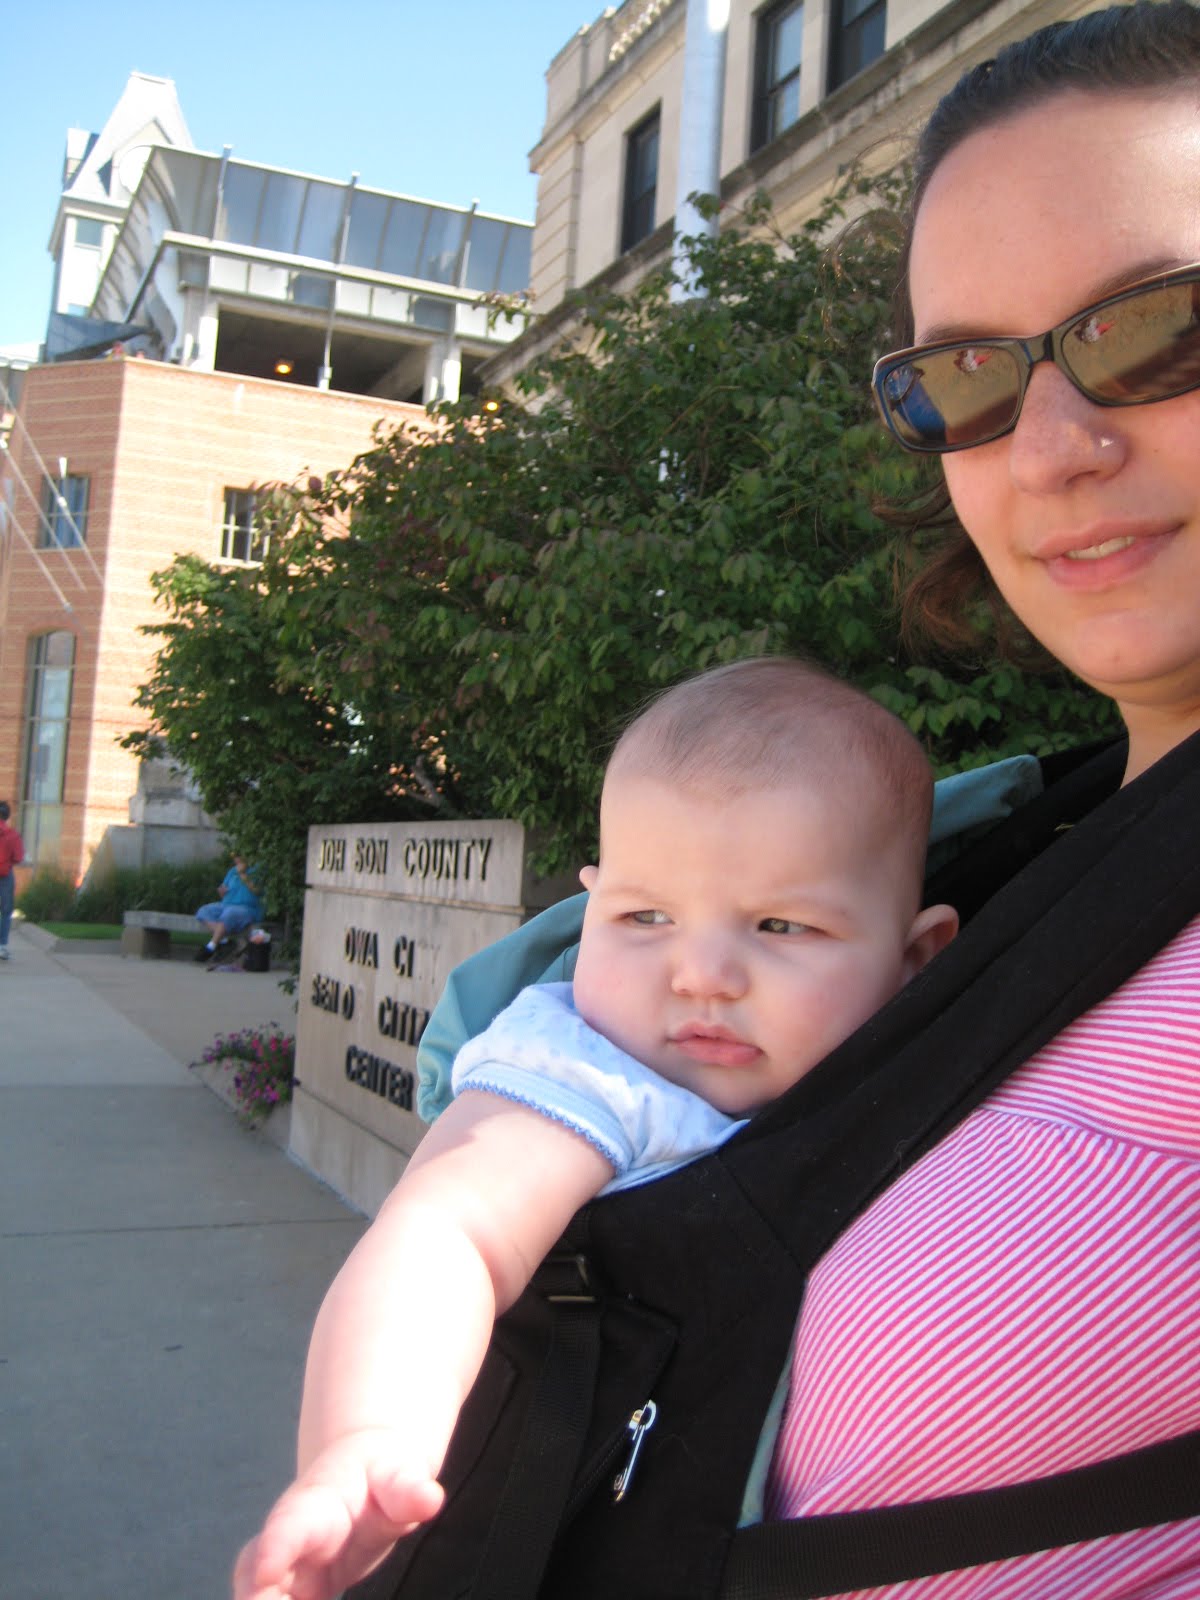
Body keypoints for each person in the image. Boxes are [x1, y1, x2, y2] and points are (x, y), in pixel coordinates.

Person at [234, 658, 959, 1600]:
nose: (701, 975)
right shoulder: (591, 1072)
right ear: (591, 902)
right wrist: (367, 1439)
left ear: (917, 959)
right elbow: (445, 1238)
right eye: (644, 916)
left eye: (781, 926)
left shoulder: (933, 1070)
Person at [194, 855, 265, 961]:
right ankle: (225, 942)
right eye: (234, 856)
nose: (235, 859)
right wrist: (222, 891)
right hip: (227, 904)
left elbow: (257, 891)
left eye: (238, 856)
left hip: (248, 908)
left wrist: (242, 874)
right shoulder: (232, 871)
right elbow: (225, 890)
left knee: (229, 913)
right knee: (204, 911)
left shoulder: (258, 870)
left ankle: (211, 946)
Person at [0, 801, 25, 961]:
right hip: (5, 874)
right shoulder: (13, 835)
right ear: (8, 816)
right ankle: (1, 946)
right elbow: (18, 857)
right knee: (6, 911)